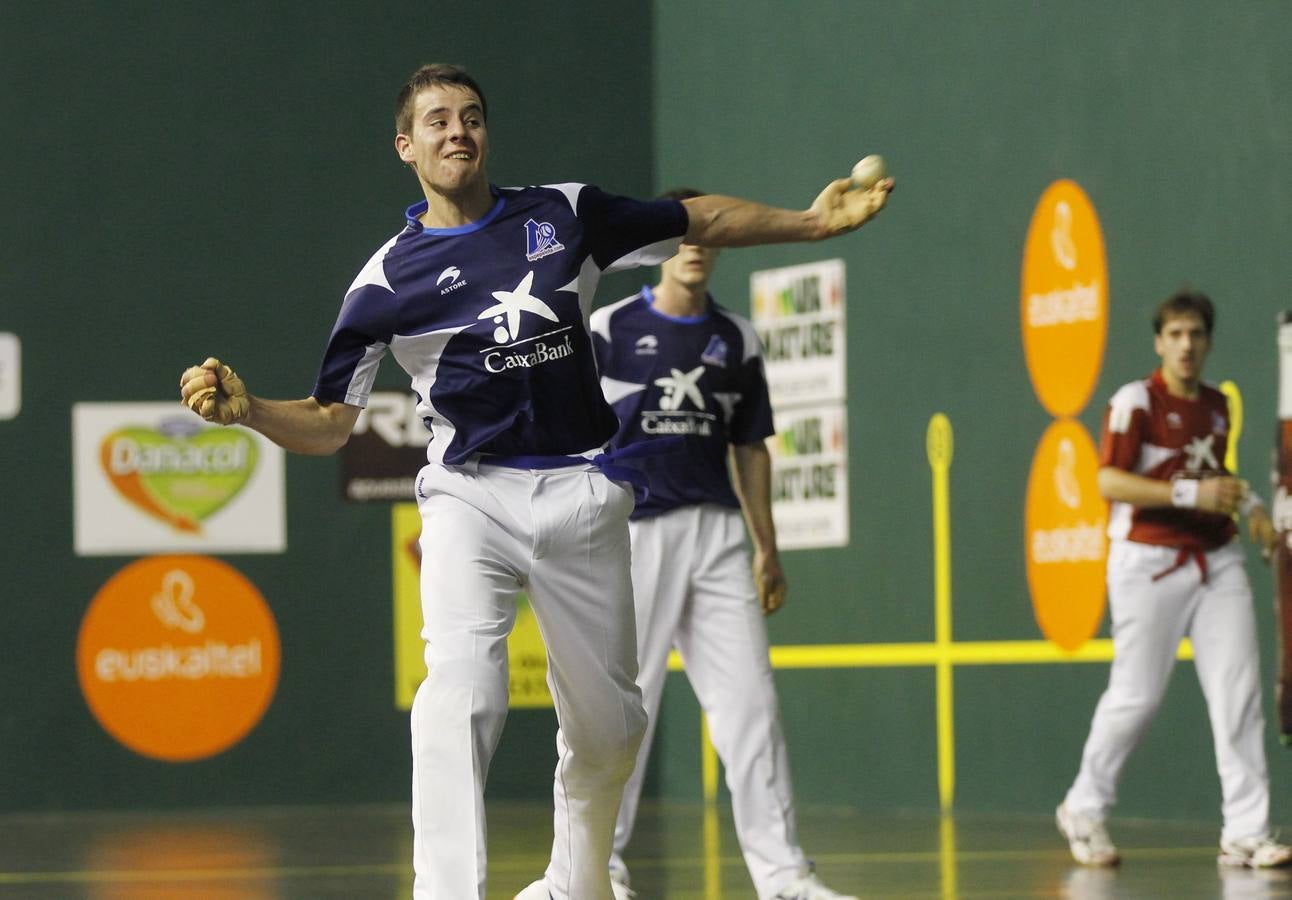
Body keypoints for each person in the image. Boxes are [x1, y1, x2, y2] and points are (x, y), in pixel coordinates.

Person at [178, 64, 893, 900]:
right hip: (468, 496)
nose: (458, 132)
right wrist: (252, 410)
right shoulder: (384, 284)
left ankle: (575, 881)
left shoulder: (565, 214)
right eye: (438, 121)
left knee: (611, 730)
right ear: (406, 146)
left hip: (581, 493)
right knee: (461, 695)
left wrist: (811, 223)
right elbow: (333, 421)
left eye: (472, 117)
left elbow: (699, 216)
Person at [588, 188, 857, 900]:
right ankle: (597, 871)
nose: (697, 246)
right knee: (621, 714)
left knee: (752, 709)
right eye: (682, 235)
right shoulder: (607, 328)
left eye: (708, 236)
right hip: (633, 536)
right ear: (657, 245)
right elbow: (573, 441)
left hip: (717, 540)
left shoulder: (737, 338)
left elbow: (753, 447)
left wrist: (768, 546)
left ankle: (785, 878)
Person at [1055, 290, 1292, 870]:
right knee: (1136, 696)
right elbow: (1109, 481)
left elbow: (1214, 476)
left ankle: (1246, 829)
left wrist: (1253, 503)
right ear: (1160, 342)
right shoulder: (1134, 401)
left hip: (1217, 562)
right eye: (1176, 334)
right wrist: (1191, 493)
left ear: (1208, 342)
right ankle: (1083, 808)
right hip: (1146, 564)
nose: (1187, 345)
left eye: (1196, 334)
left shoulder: (1217, 406)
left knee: (1240, 695)